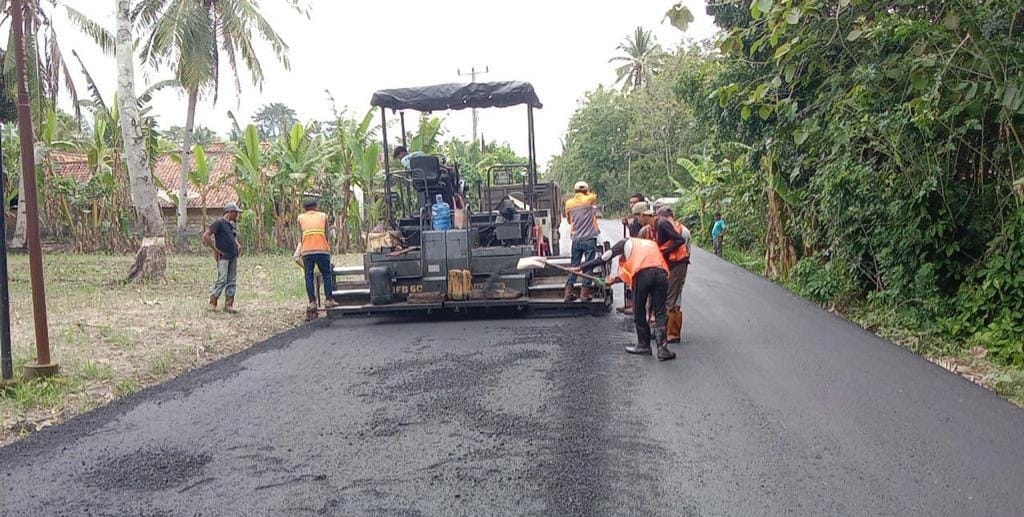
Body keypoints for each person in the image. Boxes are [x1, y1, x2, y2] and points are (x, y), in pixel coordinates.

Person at [576, 228, 676, 361]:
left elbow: (604, 257)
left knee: (639, 310)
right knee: (660, 312)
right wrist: (615, 279)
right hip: (662, 274)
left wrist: (581, 267)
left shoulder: (626, 242)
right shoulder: (651, 245)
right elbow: (641, 267)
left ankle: (643, 345)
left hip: (644, 275)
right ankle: (663, 349)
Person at [655, 206, 691, 343]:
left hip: (674, 265)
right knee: (676, 296)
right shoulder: (684, 230)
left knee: (671, 298)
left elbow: (683, 249)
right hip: (678, 265)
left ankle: (672, 332)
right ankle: (672, 331)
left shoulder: (669, 229)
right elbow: (688, 251)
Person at [297, 198, 338, 311]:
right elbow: (326, 235)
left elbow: (301, 236)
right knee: (326, 274)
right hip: (322, 250)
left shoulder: (300, 218)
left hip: (307, 251)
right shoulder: (323, 216)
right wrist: (328, 247)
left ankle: (312, 302)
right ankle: (329, 300)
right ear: (316, 206)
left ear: (304, 208)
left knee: (308, 276)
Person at [202, 202, 243, 313]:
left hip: (233, 255)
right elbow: (206, 236)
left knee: (232, 280)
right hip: (223, 256)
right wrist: (215, 250)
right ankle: (213, 301)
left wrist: (237, 245)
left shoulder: (231, 225)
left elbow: (232, 237)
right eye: (236, 213)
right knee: (222, 279)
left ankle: (229, 304)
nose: (237, 215)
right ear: (229, 212)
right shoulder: (218, 223)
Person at [563, 180, 600, 302]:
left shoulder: (569, 203)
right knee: (588, 266)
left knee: (574, 266)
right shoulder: (589, 200)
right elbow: (594, 196)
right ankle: (584, 294)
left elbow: (569, 221)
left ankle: (568, 292)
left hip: (576, 239)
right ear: (586, 191)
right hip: (589, 238)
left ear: (574, 191)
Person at [618, 193, 646, 314]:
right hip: (633, 249)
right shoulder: (635, 219)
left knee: (637, 280)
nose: (632, 205)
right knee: (628, 277)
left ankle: (636, 306)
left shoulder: (643, 218)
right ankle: (629, 303)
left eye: (634, 202)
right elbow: (633, 233)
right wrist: (627, 225)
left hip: (641, 252)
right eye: (631, 202)